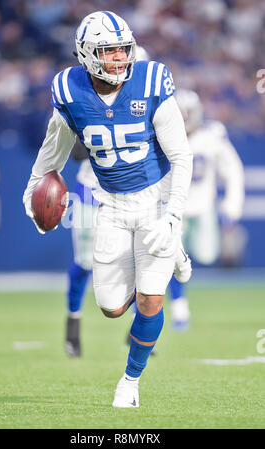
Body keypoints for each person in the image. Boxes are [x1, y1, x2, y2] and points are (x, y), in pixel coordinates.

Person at [23, 11, 193, 408]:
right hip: (111, 205)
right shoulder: (69, 90)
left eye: (122, 49)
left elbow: (182, 156)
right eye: (108, 51)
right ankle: (169, 259)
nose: (118, 58)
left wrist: (173, 214)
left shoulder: (151, 81)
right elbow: (51, 159)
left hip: (155, 200)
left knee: (151, 299)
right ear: (86, 54)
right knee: (112, 308)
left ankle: (130, 383)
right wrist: (33, 198)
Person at [65, 45, 150, 358]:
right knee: (85, 261)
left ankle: (137, 329)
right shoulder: (84, 97)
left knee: (141, 259)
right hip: (92, 192)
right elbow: (74, 152)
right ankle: (72, 326)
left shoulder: (149, 101)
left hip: (136, 194)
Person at [167, 89, 245, 331]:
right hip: (174, 208)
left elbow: (232, 170)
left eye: (188, 112)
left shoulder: (212, 135)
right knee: (170, 258)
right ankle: (179, 306)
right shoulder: (162, 135)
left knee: (207, 254)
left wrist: (232, 206)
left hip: (202, 207)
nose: (185, 117)